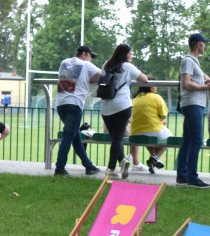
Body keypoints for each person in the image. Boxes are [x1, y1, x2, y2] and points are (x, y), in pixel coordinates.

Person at [99, 44, 148, 179]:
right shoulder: (127, 67)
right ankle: (111, 168)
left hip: (106, 107)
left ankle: (122, 161)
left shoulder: (106, 64)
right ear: (126, 54)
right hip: (122, 105)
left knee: (114, 138)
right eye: (131, 54)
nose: (131, 56)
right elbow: (144, 79)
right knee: (118, 137)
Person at [176, 33, 210, 188]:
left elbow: (197, 74)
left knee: (187, 140)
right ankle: (192, 177)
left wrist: (206, 78)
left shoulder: (193, 61)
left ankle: (182, 176)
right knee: (196, 140)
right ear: (198, 44)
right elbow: (186, 84)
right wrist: (205, 87)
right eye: (204, 43)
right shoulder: (188, 61)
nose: (205, 45)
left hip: (194, 104)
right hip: (192, 104)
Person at [55, 45, 102, 176]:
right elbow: (103, 76)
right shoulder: (86, 65)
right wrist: (90, 78)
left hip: (61, 104)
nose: (91, 59)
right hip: (74, 104)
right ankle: (59, 168)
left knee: (74, 135)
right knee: (68, 136)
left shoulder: (64, 62)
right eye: (90, 56)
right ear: (84, 54)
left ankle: (88, 165)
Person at [129, 77, 170, 174]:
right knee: (169, 138)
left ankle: (153, 156)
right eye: (154, 85)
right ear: (148, 86)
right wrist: (159, 120)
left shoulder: (135, 98)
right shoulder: (156, 97)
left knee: (148, 137)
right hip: (153, 129)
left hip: (136, 132)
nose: (157, 87)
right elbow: (163, 116)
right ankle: (155, 157)